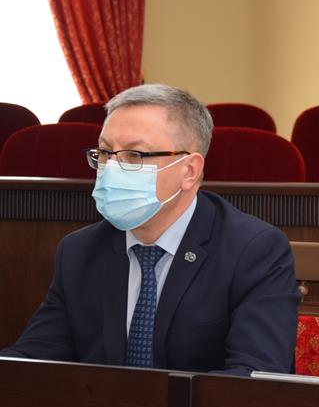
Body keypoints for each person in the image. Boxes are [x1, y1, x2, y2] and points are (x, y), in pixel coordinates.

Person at [0, 84, 298, 374]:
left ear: (189, 170)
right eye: (105, 152)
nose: (111, 168)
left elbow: (255, 376)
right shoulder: (79, 251)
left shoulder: (253, 250)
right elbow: (33, 359)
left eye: (134, 155)